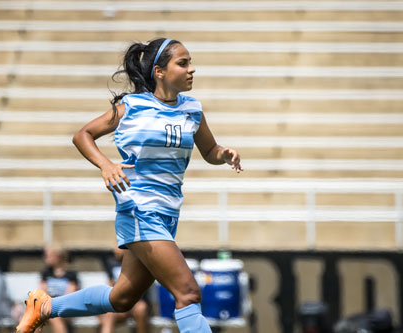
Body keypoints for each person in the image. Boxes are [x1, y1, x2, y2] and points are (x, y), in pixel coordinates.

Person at [16, 37, 243, 333]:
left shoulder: (192, 109)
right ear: (159, 71)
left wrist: (223, 154)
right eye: (183, 63)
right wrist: (106, 165)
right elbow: (82, 135)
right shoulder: (132, 106)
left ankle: (45, 307)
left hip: (168, 214)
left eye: (190, 63)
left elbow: (209, 151)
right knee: (188, 293)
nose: (192, 70)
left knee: (122, 297)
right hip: (139, 209)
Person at [99, 247, 150, 333]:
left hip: (136, 301)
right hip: (119, 301)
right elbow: (110, 285)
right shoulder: (111, 263)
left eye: (118, 246)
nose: (116, 250)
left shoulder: (139, 261)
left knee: (141, 308)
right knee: (108, 314)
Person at [40, 245, 79, 333]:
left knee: (55, 316)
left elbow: (70, 294)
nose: (45, 258)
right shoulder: (46, 273)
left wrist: (55, 306)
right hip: (48, 306)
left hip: (66, 307)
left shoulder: (71, 274)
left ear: (58, 257)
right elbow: (43, 292)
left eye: (48, 256)